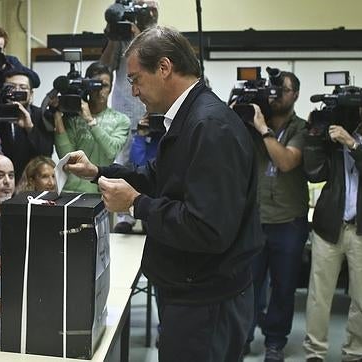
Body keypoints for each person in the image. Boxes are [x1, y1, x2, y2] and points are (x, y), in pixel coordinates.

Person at [65, 26, 262, 361]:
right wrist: (98, 173)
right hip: (191, 289)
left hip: (206, 299)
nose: (134, 90)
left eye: (136, 79)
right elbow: (156, 178)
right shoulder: (189, 118)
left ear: (165, 68)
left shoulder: (209, 127)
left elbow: (208, 228)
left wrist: (136, 205)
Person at [302, 86, 362, 362]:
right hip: (330, 226)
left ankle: (356, 353)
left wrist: (353, 145)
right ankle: (315, 351)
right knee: (318, 295)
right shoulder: (340, 130)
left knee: (361, 299)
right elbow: (315, 173)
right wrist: (314, 135)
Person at [244, 72, 310, 361]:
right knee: (249, 283)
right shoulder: (255, 124)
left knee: (284, 286)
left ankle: (274, 342)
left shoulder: (303, 128)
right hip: (256, 219)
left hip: (288, 222)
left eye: (282, 90)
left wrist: (263, 130)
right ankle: (244, 335)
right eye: (273, 89)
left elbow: (285, 162)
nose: (276, 94)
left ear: (295, 94)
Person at [100, 0, 158, 233]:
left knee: (153, 164)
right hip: (124, 112)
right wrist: (115, 37)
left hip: (151, 110)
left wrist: (139, 35)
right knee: (122, 165)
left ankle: (148, 213)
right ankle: (124, 216)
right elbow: (104, 67)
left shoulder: (157, 36)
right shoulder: (120, 34)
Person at [53, 61, 130, 193]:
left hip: (104, 190)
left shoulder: (121, 120)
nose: (100, 91)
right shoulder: (73, 117)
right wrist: (57, 117)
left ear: (111, 87)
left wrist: (90, 121)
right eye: (95, 86)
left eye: (104, 85)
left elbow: (111, 151)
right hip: (72, 191)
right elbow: (66, 156)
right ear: (87, 87)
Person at [0, 69, 53, 181]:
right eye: (11, 87)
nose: (16, 92)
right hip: (0, 181)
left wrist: (30, 127)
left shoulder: (41, 115)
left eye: (23, 88)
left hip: (31, 184)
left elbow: (46, 154)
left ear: (31, 95)